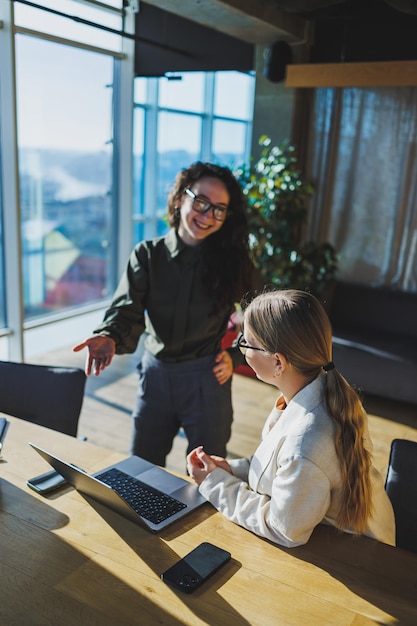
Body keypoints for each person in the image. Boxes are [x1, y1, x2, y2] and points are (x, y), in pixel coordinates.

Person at [74, 162, 260, 466]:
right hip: (155, 377)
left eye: (219, 209)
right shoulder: (147, 255)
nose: (207, 215)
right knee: (142, 470)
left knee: (210, 475)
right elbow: (126, 309)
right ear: (179, 199)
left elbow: (261, 318)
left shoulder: (234, 263)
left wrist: (236, 355)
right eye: (200, 202)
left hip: (207, 378)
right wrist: (108, 335)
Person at [187, 289, 396, 548]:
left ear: (278, 363)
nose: (241, 348)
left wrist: (215, 484)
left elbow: (283, 529)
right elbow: (280, 468)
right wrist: (232, 470)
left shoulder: (306, 443)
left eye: (246, 342)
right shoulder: (324, 388)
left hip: (357, 558)